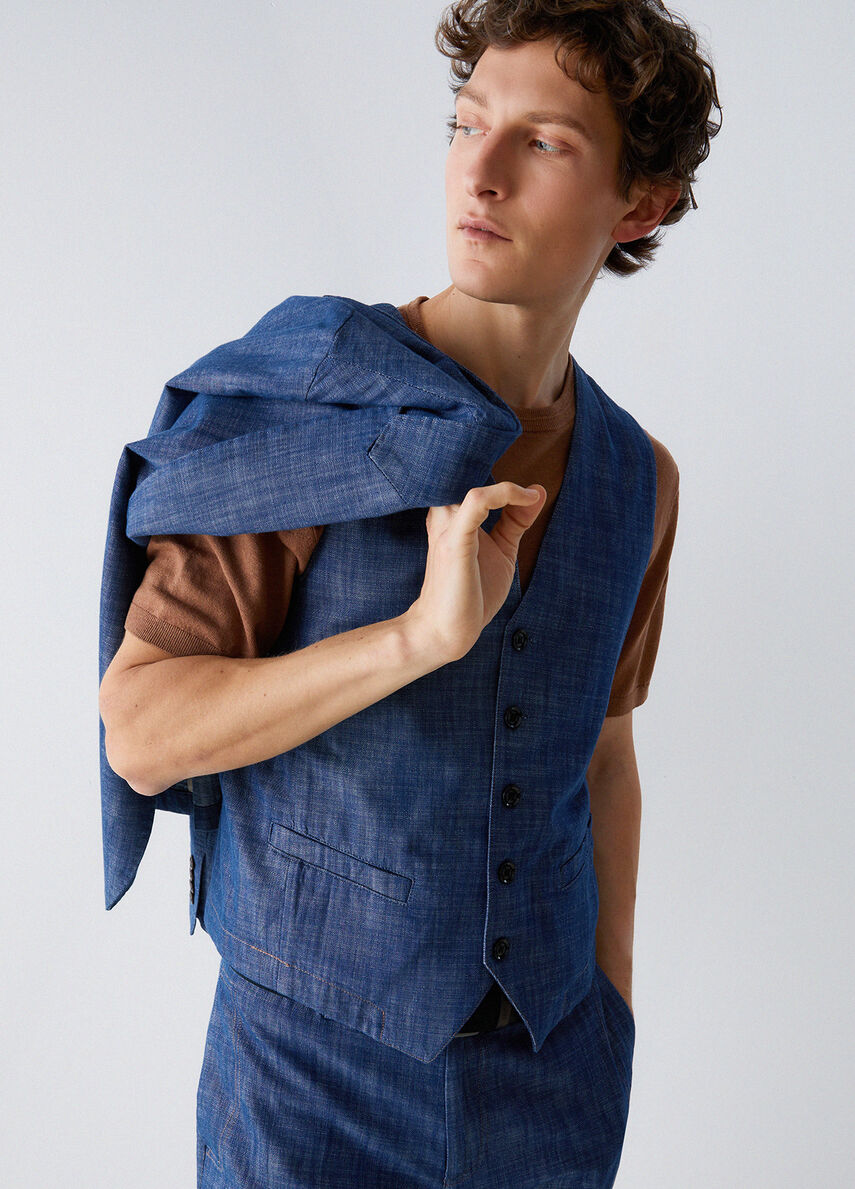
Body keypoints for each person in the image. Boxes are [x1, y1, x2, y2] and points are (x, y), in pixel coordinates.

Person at [98, 2, 721, 1185]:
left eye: (543, 142)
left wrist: (611, 1009)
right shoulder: (312, 406)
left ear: (640, 205)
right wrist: (415, 639)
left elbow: (603, 754)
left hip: (548, 1089)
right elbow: (139, 730)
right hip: (303, 1089)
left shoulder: (638, 478)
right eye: (467, 123)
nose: (480, 173)